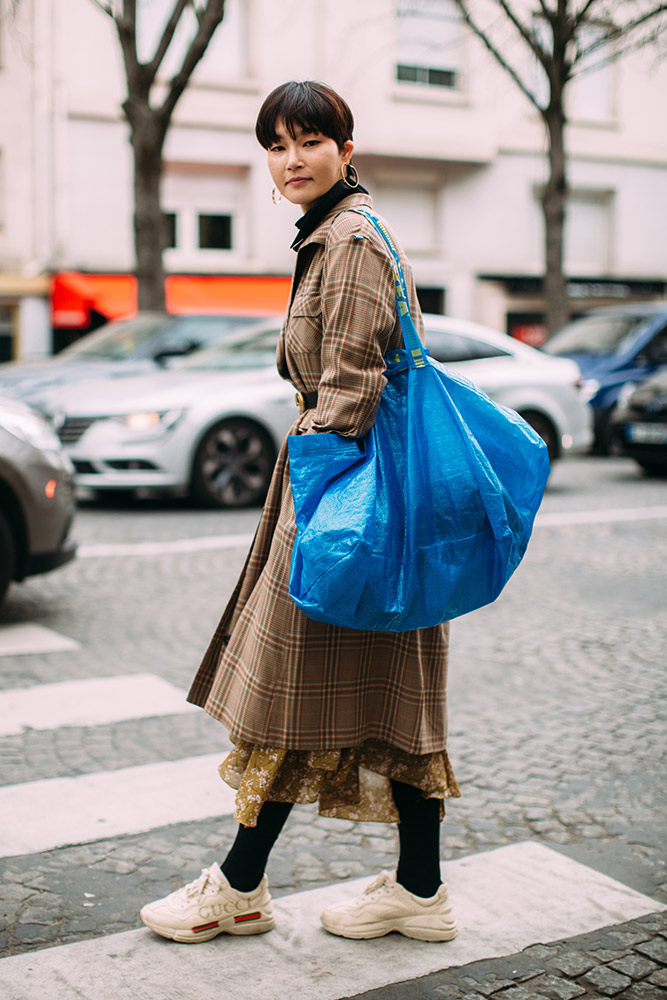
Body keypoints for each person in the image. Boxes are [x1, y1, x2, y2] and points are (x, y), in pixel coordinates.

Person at [140, 80, 460, 945]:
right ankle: (420, 889)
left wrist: (312, 505)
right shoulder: (333, 233)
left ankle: (239, 886)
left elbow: (349, 390)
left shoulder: (349, 240)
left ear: (344, 149)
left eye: (309, 141)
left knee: (291, 692)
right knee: (391, 693)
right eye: (276, 145)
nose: (291, 160)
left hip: (348, 497)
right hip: (368, 498)